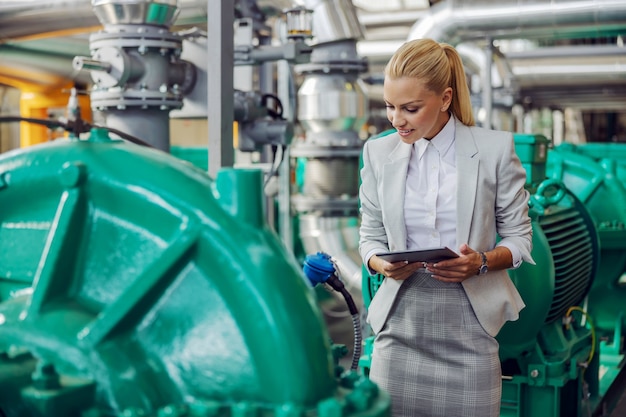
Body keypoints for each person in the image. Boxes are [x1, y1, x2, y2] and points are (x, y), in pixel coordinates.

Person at [358, 38, 534, 417]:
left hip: (469, 328)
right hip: (400, 324)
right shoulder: (378, 153)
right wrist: (379, 263)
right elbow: (369, 236)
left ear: (445, 98)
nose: (396, 120)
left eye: (410, 108)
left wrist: (481, 262)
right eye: (389, 106)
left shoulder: (495, 149)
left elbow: (520, 239)